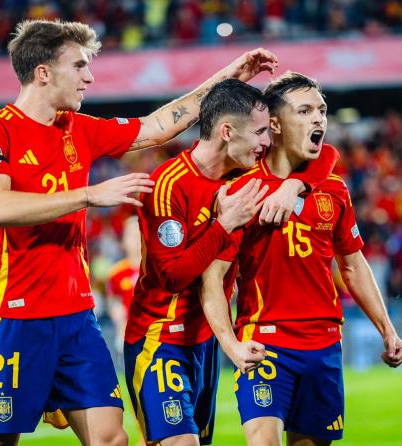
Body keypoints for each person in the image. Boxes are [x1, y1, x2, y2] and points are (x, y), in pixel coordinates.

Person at [0, 18, 278, 446]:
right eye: (79, 66)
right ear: (43, 73)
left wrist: (229, 79)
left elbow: (156, 125)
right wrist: (90, 194)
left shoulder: (79, 129)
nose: (89, 76)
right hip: (12, 313)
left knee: (113, 438)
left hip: (75, 315)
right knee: (0, 439)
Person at [200, 72, 402, 446]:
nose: (319, 119)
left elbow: (352, 264)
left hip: (324, 346)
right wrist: (231, 344)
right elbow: (212, 278)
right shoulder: (242, 189)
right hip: (265, 342)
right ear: (276, 125)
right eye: (305, 110)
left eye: (322, 110)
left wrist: (387, 330)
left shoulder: (335, 189)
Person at [124, 78, 334, 446]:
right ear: (226, 131)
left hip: (205, 342)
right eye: (258, 133)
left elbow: (325, 157)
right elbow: (171, 276)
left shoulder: (243, 175)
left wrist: (293, 186)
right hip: (159, 337)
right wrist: (223, 225)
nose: (265, 143)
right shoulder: (168, 184)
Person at [106, 214, 141, 356]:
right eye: (132, 235)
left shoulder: (156, 269)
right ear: (124, 241)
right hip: (128, 332)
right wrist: (120, 325)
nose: (137, 239)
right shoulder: (116, 272)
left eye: (140, 234)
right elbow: (114, 304)